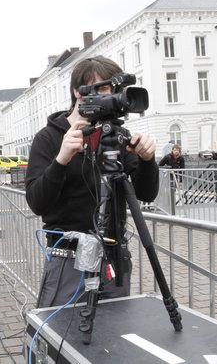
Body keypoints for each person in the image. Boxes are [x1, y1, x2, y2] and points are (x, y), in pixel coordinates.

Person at [25, 56, 160, 308]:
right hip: (69, 259)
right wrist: (61, 160)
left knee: (113, 336)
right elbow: (37, 202)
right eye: (103, 88)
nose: (110, 96)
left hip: (113, 257)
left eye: (114, 90)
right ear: (78, 91)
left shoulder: (117, 136)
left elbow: (146, 193)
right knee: (62, 337)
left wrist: (147, 160)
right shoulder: (49, 138)